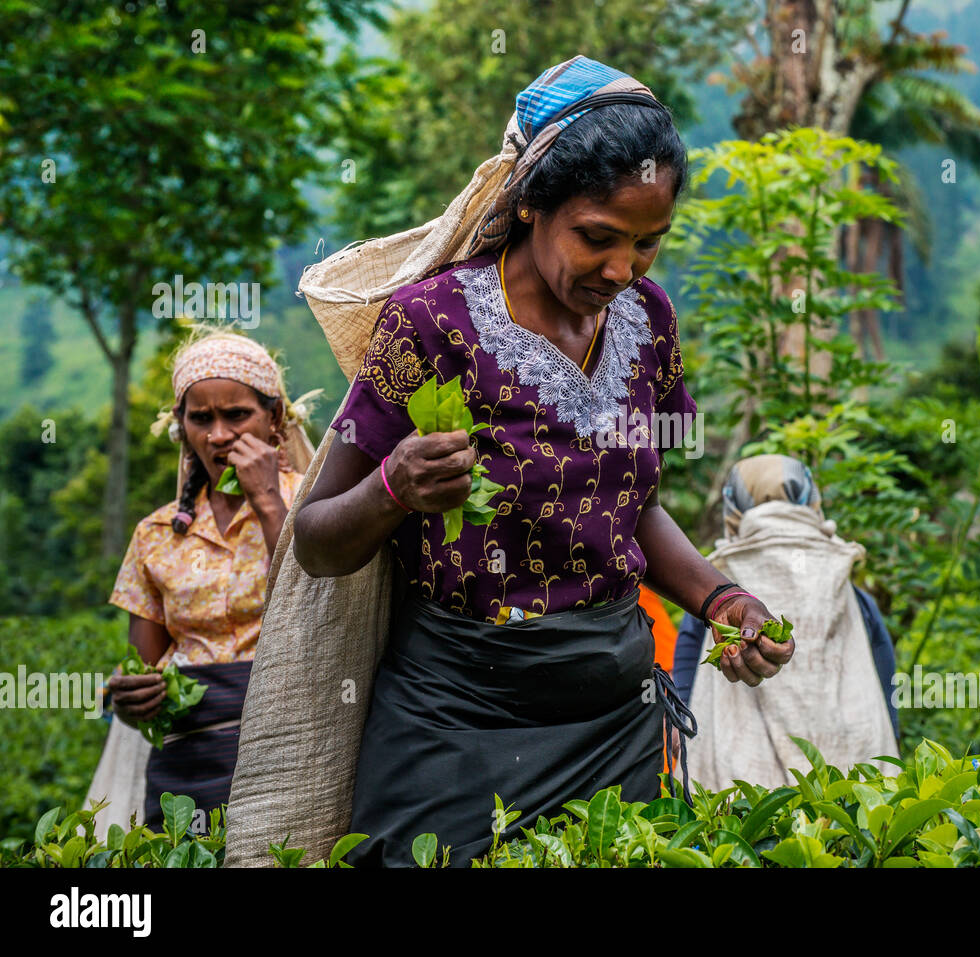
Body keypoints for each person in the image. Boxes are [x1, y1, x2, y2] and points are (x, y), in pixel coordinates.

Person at [290, 55, 796, 867]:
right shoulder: (432, 324)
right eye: (598, 237)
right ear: (531, 202)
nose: (622, 271)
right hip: (453, 722)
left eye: (648, 244)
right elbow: (315, 541)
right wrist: (395, 487)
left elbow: (639, 510)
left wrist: (724, 598)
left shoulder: (647, 320)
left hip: (613, 722)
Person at [102, 326, 319, 831]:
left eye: (237, 415)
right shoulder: (156, 534)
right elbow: (147, 668)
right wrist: (131, 696)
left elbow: (321, 609)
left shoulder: (317, 503)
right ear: (182, 426)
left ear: (275, 420)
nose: (218, 435)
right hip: (187, 760)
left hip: (293, 742)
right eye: (201, 418)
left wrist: (268, 503)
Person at [672, 454, 901, 791]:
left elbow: (686, 682)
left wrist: (681, 729)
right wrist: (890, 739)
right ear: (810, 499)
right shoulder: (848, 586)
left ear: (733, 507)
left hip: (742, 782)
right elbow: (884, 682)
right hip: (847, 775)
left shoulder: (717, 594)